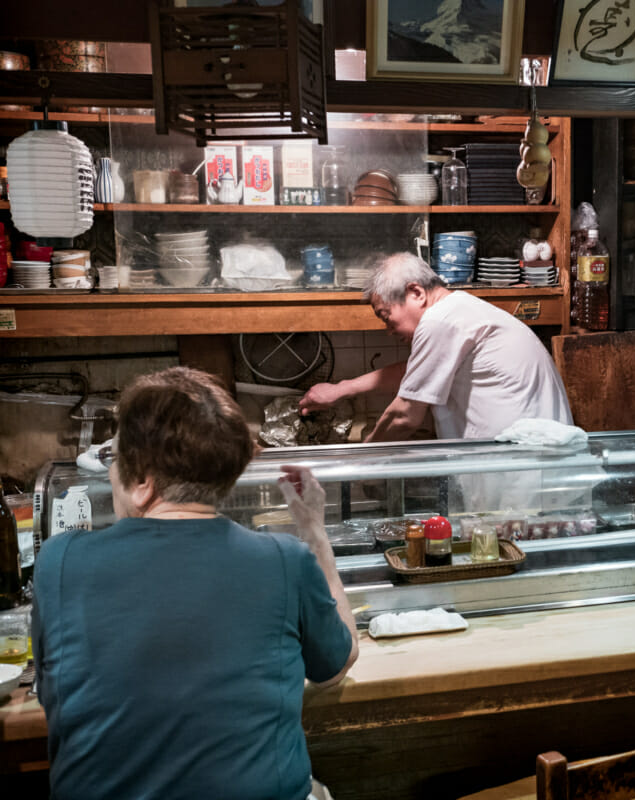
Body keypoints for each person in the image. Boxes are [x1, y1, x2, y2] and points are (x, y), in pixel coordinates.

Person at [32, 367, 357, 799]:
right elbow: (335, 668)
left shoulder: (60, 560)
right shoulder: (284, 559)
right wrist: (314, 531)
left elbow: (52, 688)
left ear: (143, 481)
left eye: (115, 461)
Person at [299, 252, 572, 441]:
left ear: (416, 293)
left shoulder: (440, 321)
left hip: (520, 474)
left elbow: (405, 416)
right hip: (528, 465)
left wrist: (364, 459)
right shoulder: (457, 311)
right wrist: (342, 389)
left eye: (385, 315)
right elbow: (418, 373)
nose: (388, 329)